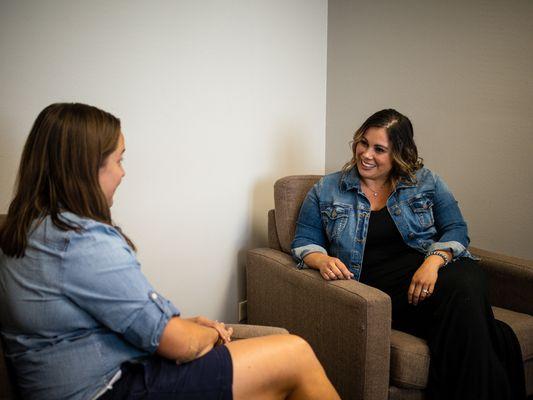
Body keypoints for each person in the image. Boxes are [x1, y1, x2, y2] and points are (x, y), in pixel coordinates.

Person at [0, 103, 340, 400]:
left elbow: (105, 317)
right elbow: (179, 344)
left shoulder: (30, 226)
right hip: (106, 388)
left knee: (267, 371)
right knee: (294, 354)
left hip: (73, 381)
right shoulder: (80, 241)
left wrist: (182, 325)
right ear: (88, 167)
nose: (122, 172)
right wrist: (205, 333)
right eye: (118, 160)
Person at [291, 109, 526, 400]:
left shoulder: (426, 181)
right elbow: (304, 241)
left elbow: (456, 230)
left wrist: (433, 261)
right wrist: (322, 259)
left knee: (468, 277)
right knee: (484, 326)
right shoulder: (327, 189)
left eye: (379, 149)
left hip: (428, 279)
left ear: (399, 153)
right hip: (382, 293)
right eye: (363, 143)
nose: (366, 154)